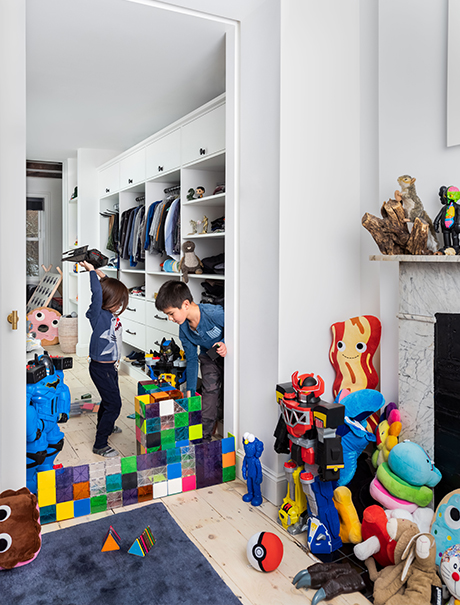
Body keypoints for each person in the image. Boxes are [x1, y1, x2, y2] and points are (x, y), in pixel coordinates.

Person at [155, 280, 227, 442]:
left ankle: (221, 419)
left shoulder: (213, 313)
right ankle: (204, 437)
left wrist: (224, 341)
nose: (170, 318)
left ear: (185, 304)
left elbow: (236, 326)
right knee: (209, 392)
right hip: (209, 357)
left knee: (227, 390)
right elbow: (192, 360)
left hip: (228, 356)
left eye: (171, 313)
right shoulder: (184, 330)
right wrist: (190, 391)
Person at [81, 261, 129, 457]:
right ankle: (100, 444)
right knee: (114, 404)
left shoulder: (108, 314)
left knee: (109, 401)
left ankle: (106, 427)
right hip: (100, 368)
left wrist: (103, 277)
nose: (119, 306)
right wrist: (92, 273)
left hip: (110, 368)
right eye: (118, 302)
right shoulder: (97, 314)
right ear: (109, 300)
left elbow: (105, 290)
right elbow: (97, 294)